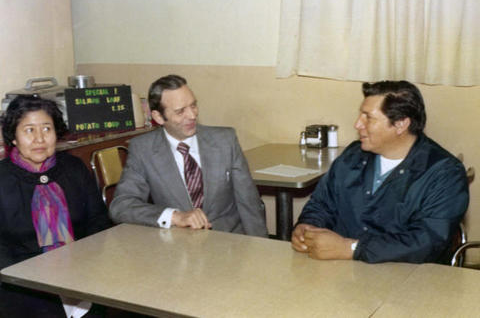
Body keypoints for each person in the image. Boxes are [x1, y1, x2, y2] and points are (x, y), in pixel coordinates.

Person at [291, 80, 469, 264]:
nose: (357, 124)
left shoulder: (445, 173)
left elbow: (427, 242)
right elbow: (321, 205)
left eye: (368, 117)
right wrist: (307, 228)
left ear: (400, 124)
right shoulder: (352, 156)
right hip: (343, 273)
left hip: (410, 279)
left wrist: (352, 248)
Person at [110, 75, 267, 237]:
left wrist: (260, 250)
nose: (192, 115)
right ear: (158, 117)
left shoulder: (225, 141)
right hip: (179, 247)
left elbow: (249, 204)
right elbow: (121, 206)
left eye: (193, 105)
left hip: (229, 242)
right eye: (180, 111)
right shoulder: (144, 149)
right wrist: (175, 216)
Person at [0, 96, 112, 317]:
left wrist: (82, 263)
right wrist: (31, 276)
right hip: (24, 289)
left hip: (82, 276)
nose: (39, 139)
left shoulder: (74, 168)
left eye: (46, 129)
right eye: (29, 130)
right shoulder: (2, 178)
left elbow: (98, 221)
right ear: (13, 137)